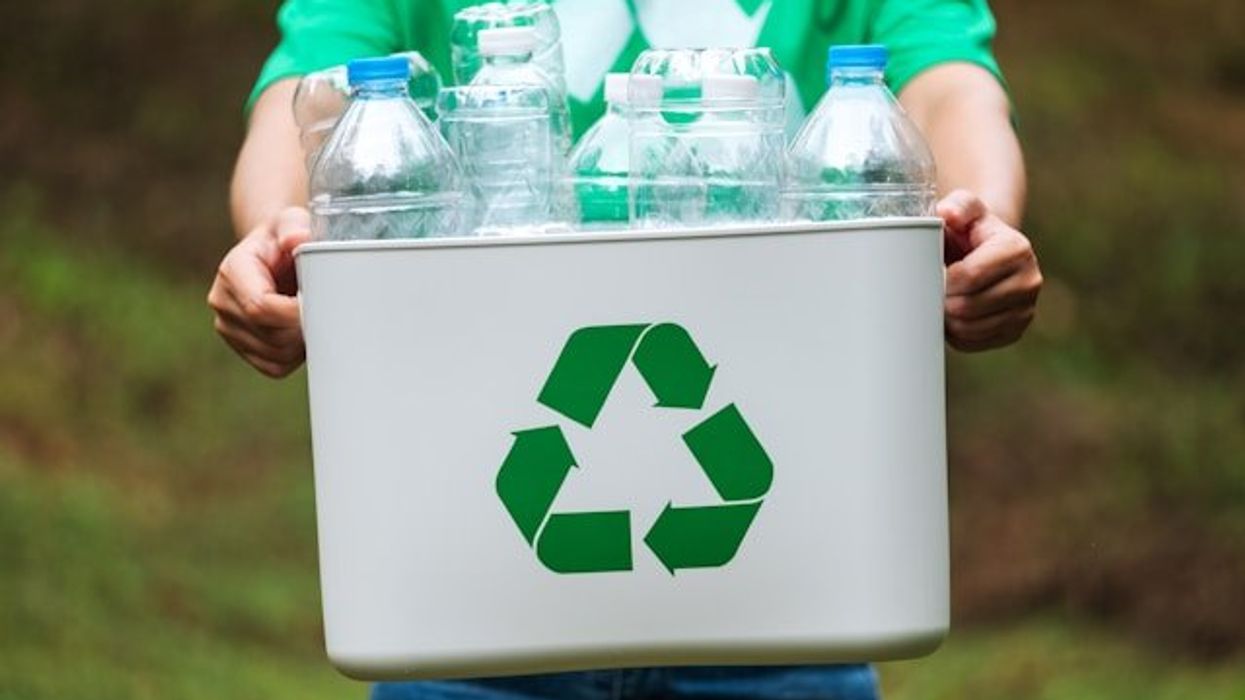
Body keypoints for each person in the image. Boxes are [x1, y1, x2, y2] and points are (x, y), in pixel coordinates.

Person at [208, 1, 1043, 697]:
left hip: (789, 601)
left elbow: (949, 87)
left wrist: (979, 223)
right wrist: (279, 236)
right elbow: (302, 101)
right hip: (464, 602)